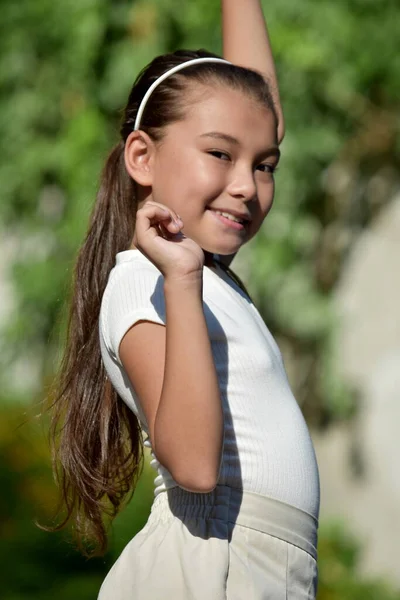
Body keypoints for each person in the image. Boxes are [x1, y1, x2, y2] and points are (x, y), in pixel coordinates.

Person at [48, 1, 320, 598]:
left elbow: (256, 110)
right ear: (143, 156)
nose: (247, 185)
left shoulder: (200, 275)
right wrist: (181, 279)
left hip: (263, 567)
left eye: (265, 165)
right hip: (212, 565)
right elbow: (195, 468)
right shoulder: (145, 280)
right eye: (220, 155)